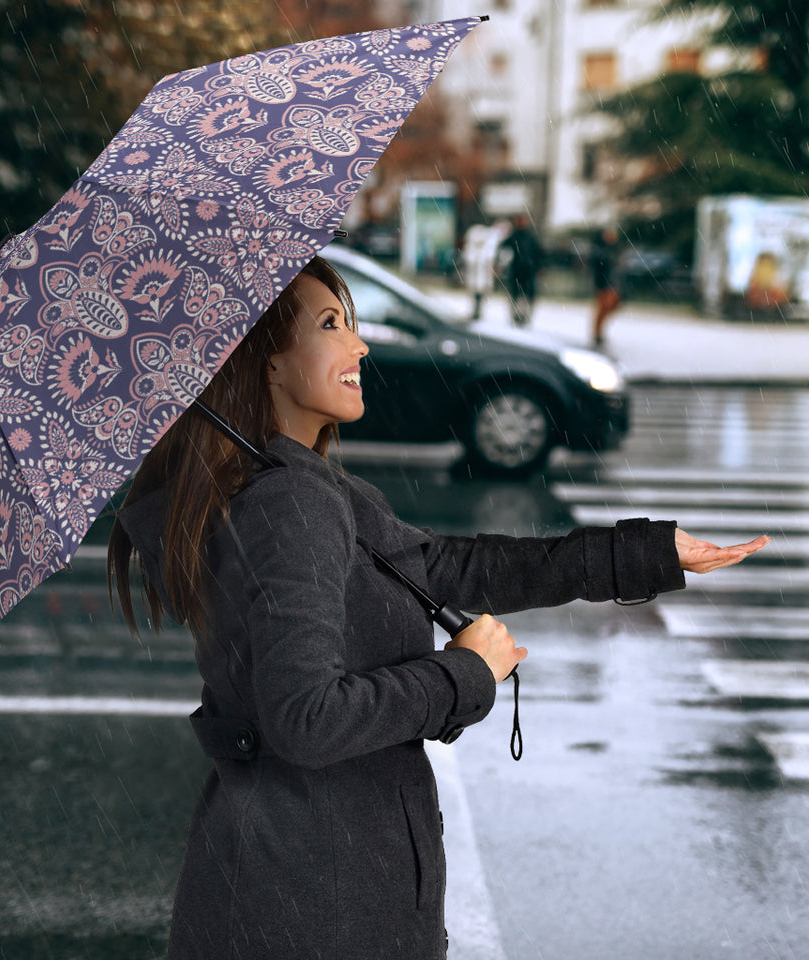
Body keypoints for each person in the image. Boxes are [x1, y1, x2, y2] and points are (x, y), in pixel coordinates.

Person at [108, 255, 768, 960]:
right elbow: (305, 720)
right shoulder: (288, 504)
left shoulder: (301, 489)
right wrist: (462, 674)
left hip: (303, 883)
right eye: (331, 325)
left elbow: (452, 568)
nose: (359, 345)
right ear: (265, 362)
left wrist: (645, 553)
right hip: (315, 903)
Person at [497, 213, 544, 327]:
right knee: (516, 294)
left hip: (528, 271)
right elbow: (503, 249)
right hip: (517, 270)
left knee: (526, 295)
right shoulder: (514, 236)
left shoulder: (530, 237)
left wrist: (539, 267)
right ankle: (516, 315)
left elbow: (539, 253)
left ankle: (524, 316)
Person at [590, 226, 622, 347]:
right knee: (603, 308)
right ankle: (597, 333)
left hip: (612, 283)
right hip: (604, 284)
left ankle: (599, 331)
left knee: (611, 306)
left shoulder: (612, 249)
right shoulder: (600, 250)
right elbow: (599, 265)